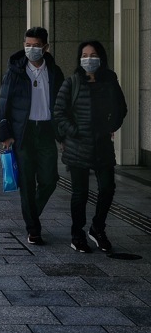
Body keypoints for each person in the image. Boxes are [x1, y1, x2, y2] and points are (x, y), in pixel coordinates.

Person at [53, 40, 127, 253]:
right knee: (80, 193)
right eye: (84, 55)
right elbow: (59, 112)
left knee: (107, 188)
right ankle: (77, 234)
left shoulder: (110, 81)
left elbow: (121, 108)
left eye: (93, 55)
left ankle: (97, 227)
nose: (88, 59)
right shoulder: (72, 82)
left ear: (101, 58)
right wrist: (74, 131)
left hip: (102, 145)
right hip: (78, 147)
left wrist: (111, 126)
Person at [0, 26, 65, 246]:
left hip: (46, 131)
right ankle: (33, 229)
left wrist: (64, 133)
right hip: (22, 133)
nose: (31, 49)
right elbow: (4, 102)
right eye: (28, 45)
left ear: (45, 47)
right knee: (27, 183)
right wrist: (5, 132)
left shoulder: (54, 71)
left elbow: (63, 104)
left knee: (50, 180)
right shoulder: (16, 72)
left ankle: (31, 213)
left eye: (36, 46)